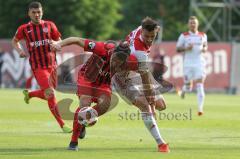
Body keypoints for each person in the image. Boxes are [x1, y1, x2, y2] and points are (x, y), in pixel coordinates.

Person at [50, 37, 131, 151]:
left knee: (105, 105)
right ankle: (74, 142)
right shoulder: (102, 48)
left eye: (120, 61)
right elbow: (76, 40)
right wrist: (59, 43)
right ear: (113, 52)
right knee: (84, 104)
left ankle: (83, 123)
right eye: (116, 58)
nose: (116, 62)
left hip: (104, 83)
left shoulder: (128, 63)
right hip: (87, 78)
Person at [11, 1, 72, 133]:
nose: (37, 15)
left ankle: (30, 94)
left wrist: (57, 44)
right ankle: (62, 125)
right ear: (29, 13)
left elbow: (59, 40)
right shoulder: (24, 29)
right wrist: (20, 51)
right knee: (50, 94)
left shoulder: (50, 25)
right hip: (38, 67)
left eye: (39, 12)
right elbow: (14, 41)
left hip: (53, 66)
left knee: (49, 93)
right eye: (34, 12)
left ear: (42, 12)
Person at [123, 17, 169, 152]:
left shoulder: (145, 27)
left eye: (152, 36)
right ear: (142, 31)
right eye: (147, 36)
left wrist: (154, 105)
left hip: (137, 68)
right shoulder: (140, 52)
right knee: (146, 105)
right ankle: (161, 144)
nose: (149, 39)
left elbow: (151, 24)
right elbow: (145, 82)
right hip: (123, 75)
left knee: (162, 105)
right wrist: (151, 107)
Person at [176, 16, 208, 116]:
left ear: (197, 24)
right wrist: (186, 48)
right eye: (191, 23)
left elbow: (205, 46)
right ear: (188, 25)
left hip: (199, 63)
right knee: (188, 87)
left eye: (194, 23)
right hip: (188, 64)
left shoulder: (203, 35)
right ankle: (183, 92)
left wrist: (204, 49)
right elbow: (178, 49)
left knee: (200, 85)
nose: (192, 24)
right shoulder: (184, 36)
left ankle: (200, 109)